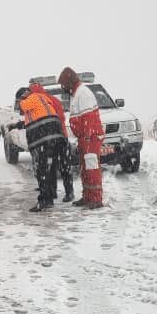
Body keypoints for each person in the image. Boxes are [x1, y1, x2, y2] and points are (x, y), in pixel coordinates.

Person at [10, 87, 66, 212]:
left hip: (45, 138)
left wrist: (20, 101)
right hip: (56, 136)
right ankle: (50, 197)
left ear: (23, 96)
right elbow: (38, 116)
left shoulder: (28, 100)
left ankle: (44, 201)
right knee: (50, 169)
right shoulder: (42, 98)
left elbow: (24, 107)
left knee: (42, 171)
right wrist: (20, 125)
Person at [59, 66, 104, 209]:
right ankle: (87, 196)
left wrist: (88, 137)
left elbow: (88, 118)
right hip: (84, 138)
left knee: (92, 169)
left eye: (64, 85)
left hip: (89, 138)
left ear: (69, 82)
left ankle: (95, 199)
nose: (63, 88)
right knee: (85, 170)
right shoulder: (77, 93)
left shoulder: (83, 93)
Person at [28, 81, 75, 202]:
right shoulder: (50, 99)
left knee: (54, 166)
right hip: (59, 136)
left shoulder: (43, 101)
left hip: (56, 137)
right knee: (62, 166)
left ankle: (57, 192)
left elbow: (58, 118)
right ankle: (67, 192)